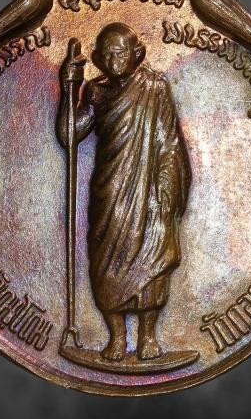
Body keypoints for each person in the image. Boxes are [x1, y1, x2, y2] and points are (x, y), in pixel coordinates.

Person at [57, 22, 191, 361]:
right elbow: (69, 136)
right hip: (111, 190)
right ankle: (117, 337)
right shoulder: (97, 92)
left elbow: (168, 141)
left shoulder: (155, 87)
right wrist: (68, 89)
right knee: (106, 261)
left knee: (152, 254)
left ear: (137, 54)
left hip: (148, 188)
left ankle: (148, 337)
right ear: (99, 59)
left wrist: (167, 189)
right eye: (108, 55)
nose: (114, 61)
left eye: (121, 53)